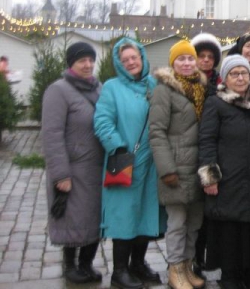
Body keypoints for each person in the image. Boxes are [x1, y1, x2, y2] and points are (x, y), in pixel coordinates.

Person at [94, 38, 163, 289]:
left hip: (152, 162)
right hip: (125, 161)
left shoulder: (154, 85)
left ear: (142, 58)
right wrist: (118, 146)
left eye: (134, 57)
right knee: (123, 215)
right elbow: (102, 121)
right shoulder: (112, 88)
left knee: (146, 214)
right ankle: (119, 271)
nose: (131, 62)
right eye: (125, 60)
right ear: (119, 64)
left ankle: (138, 264)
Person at [198, 55, 250, 289]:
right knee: (230, 228)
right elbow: (207, 140)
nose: (240, 78)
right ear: (225, 78)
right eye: (234, 74)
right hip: (229, 176)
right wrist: (210, 176)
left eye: (244, 73)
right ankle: (230, 275)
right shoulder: (216, 103)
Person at [41, 42, 103, 284]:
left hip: (97, 168)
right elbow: (51, 135)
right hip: (72, 169)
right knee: (72, 218)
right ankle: (70, 265)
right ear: (71, 64)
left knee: (94, 217)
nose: (87, 65)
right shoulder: (58, 91)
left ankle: (86, 264)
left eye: (91, 60)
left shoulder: (99, 88)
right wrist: (60, 174)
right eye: (81, 61)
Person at [149, 40, 206, 289]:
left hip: (198, 168)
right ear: (173, 63)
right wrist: (167, 169)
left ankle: (187, 266)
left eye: (190, 58)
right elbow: (157, 132)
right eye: (181, 59)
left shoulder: (201, 88)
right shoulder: (164, 90)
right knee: (177, 223)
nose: (186, 63)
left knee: (194, 223)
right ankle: (175, 270)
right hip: (176, 168)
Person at [189, 32, 222, 275]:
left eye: (211, 57)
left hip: (215, 152)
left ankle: (208, 258)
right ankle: (194, 259)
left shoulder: (220, 84)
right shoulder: (187, 83)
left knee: (211, 213)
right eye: (202, 56)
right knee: (194, 214)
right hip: (190, 152)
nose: (206, 60)